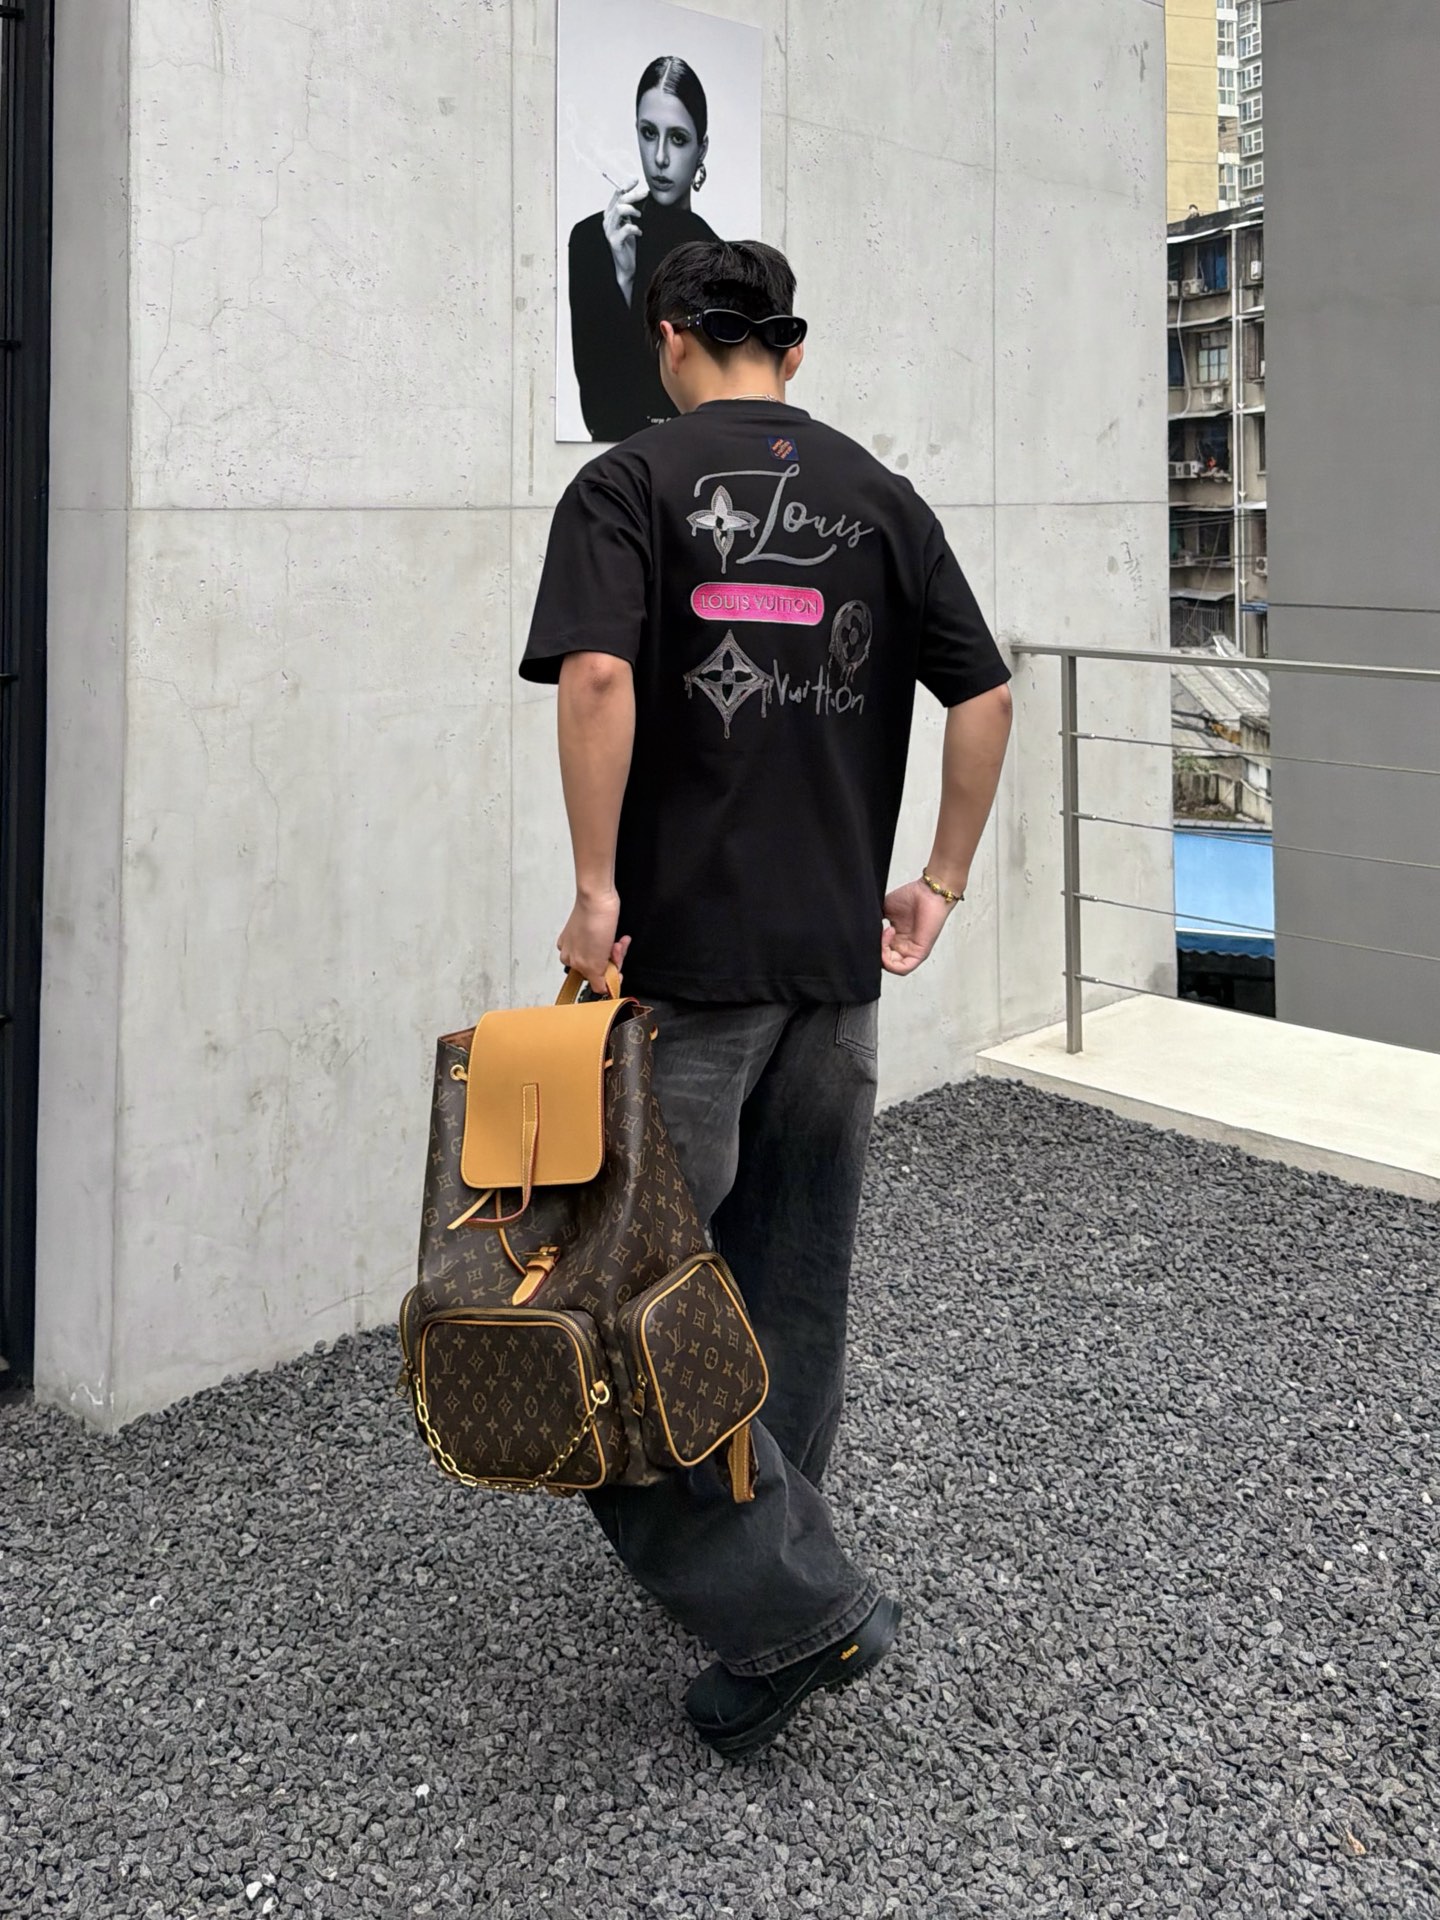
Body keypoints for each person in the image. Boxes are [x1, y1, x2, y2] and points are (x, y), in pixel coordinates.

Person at [521, 239, 1014, 1756]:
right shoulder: (882, 497)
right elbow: (986, 691)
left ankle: (793, 1605)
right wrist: (938, 881)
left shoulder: (628, 484)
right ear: (790, 353)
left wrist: (596, 890)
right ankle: (767, 1553)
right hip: (832, 976)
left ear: (671, 337)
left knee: (599, 1309)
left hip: (688, 973)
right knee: (785, 1288)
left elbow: (598, 678)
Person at [567, 56, 719, 441]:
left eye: (678, 139)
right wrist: (623, 278)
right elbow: (601, 414)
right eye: (649, 133)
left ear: (701, 149)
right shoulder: (592, 240)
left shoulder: (716, 259)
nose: (660, 157)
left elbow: (704, 403)